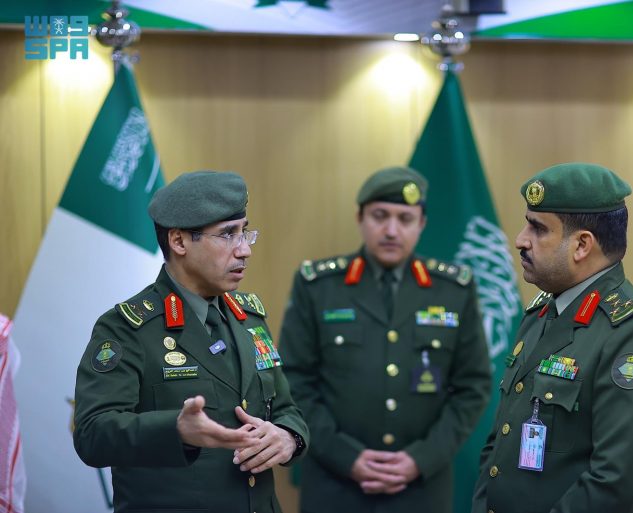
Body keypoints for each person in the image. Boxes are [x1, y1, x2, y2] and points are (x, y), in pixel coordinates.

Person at [74, 171, 309, 513]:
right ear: (179, 242)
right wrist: (175, 430)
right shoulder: (128, 327)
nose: (244, 250)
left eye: (245, 232)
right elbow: (91, 434)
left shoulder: (249, 317)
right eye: (227, 234)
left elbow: (286, 408)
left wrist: (288, 436)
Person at [472, 162, 633, 513]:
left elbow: (613, 483)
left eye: (538, 228)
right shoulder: (542, 313)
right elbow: (500, 444)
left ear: (582, 245)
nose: (521, 240)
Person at [280, 166, 491, 513]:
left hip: (421, 489)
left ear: (422, 224)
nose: (392, 230)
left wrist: (422, 458)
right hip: (335, 484)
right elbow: (293, 381)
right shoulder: (318, 286)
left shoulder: (453, 289)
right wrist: (345, 456)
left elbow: (473, 386)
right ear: (360, 218)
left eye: (405, 219)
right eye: (380, 216)